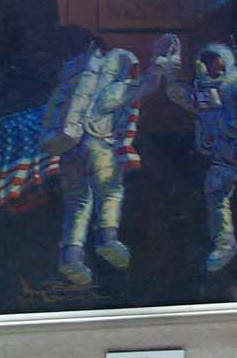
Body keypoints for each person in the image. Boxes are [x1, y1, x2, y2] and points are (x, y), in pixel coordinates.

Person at [40, 44, 164, 285]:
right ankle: (107, 239)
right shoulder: (110, 87)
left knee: (77, 203)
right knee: (111, 192)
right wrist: (157, 69)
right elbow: (141, 87)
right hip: (97, 146)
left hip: (68, 149)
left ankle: (71, 257)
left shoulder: (73, 88)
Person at [161, 34, 237, 272]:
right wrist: (170, 72)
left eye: (214, 61)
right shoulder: (203, 92)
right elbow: (178, 94)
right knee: (216, 195)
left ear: (225, 60)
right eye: (206, 62)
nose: (210, 67)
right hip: (222, 153)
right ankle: (224, 244)